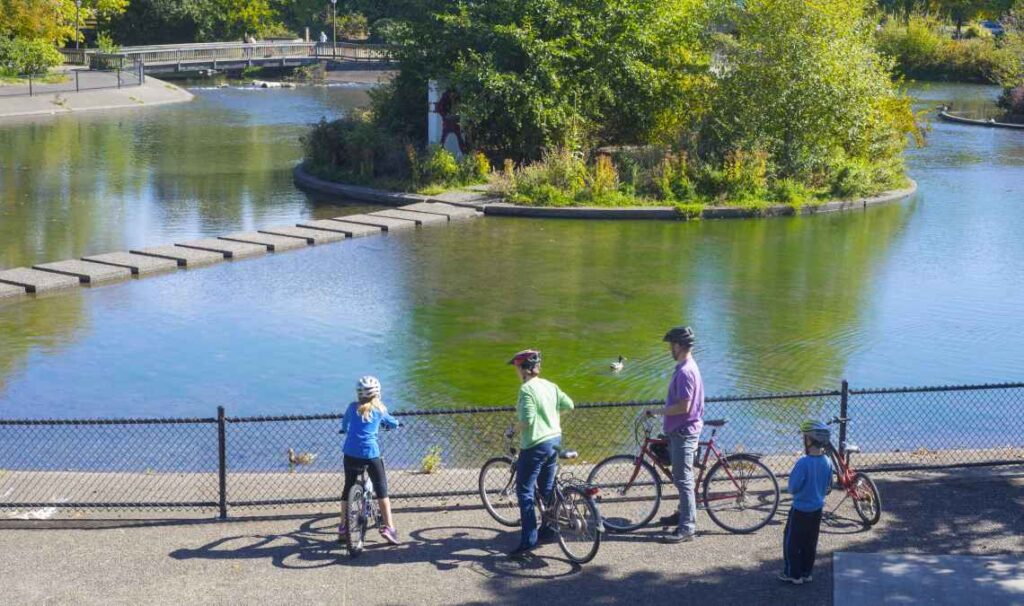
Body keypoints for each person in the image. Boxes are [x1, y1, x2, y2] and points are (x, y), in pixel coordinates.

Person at [507, 349, 575, 560]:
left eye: (517, 368)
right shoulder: (550, 386)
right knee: (546, 487)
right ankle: (549, 528)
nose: (516, 372)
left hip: (535, 445)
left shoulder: (526, 389)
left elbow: (526, 420)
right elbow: (569, 405)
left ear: (522, 369)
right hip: (554, 440)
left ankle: (528, 541)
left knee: (525, 492)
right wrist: (551, 418)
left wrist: (512, 430)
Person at [645, 326, 704, 543]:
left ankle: (687, 527)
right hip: (679, 432)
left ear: (679, 345)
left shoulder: (686, 371)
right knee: (681, 478)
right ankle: (682, 514)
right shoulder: (685, 367)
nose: (670, 348)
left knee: (683, 480)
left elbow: (684, 407)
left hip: (683, 433)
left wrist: (658, 411)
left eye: (671, 344)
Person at [339, 375, 401, 546]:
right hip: (371, 454)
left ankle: (343, 527)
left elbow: (345, 424)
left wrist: (344, 430)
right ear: (377, 393)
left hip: (350, 453)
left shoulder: (352, 408)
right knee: (382, 491)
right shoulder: (380, 409)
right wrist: (396, 424)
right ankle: (389, 528)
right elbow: (392, 423)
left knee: (347, 488)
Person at [779, 421, 833, 585]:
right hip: (817, 508)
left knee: (792, 542)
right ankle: (806, 572)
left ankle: (793, 574)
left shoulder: (803, 463)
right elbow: (828, 486)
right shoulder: (827, 461)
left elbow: (793, 487)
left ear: (809, 440)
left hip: (800, 509)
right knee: (810, 542)